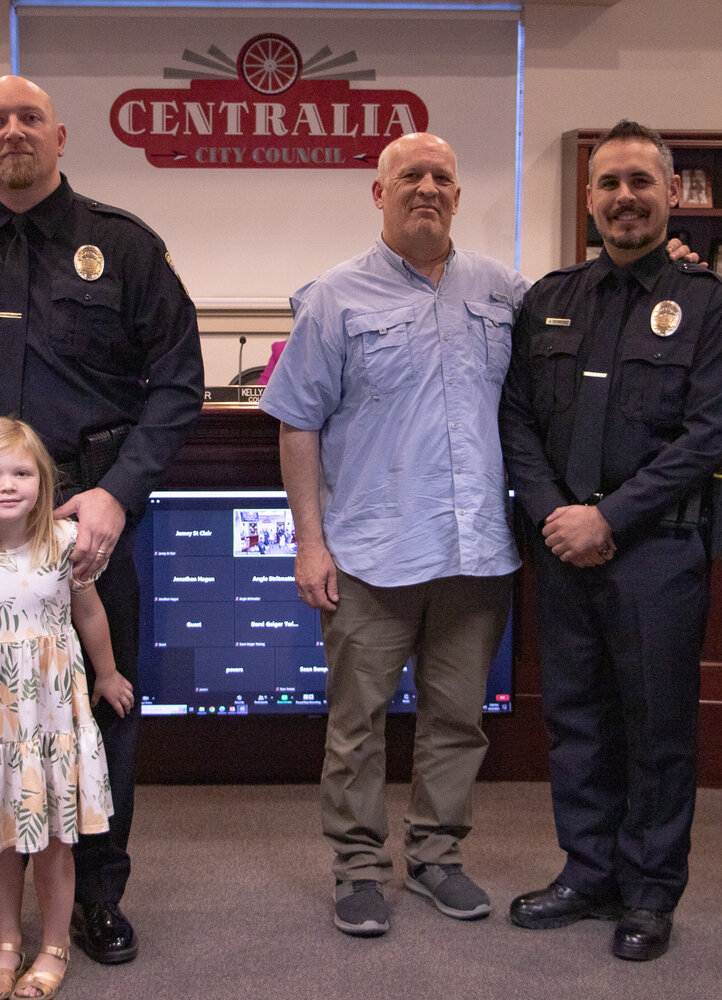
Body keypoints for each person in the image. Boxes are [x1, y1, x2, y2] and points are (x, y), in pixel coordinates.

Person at [0, 75, 203, 967]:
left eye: (29, 118)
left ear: (61, 135)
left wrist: (119, 494)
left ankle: (96, 895)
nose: (13, 132)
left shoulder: (120, 247)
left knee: (94, 708)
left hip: (88, 516)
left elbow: (178, 381)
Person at [498, 120, 722, 961]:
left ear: (669, 193)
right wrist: (555, 516)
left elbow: (709, 435)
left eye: (641, 182)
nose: (624, 198)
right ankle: (587, 871)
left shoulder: (715, 308)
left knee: (655, 728)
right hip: (563, 549)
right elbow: (517, 421)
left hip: (656, 555)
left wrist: (609, 518)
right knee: (575, 719)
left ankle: (649, 891)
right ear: (590, 197)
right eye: (609, 183)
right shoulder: (551, 298)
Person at [259, 132, 526, 937]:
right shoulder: (335, 298)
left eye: (442, 175)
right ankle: (359, 867)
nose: (427, 187)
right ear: (379, 193)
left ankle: (438, 855)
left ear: (456, 193)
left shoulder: (504, 291)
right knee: (357, 724)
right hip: (370, 553)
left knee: (457, 719)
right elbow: (297, 424)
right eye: (409, 174)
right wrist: (309, 541)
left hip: (475, 551)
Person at [0, 416, 134, 1000]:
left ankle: (55, 945)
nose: (7, 484)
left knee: (57, 838)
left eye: (21, 472)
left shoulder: (64, 544)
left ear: (44, 480)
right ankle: (6, 944)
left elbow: (89, 613)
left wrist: (108, 672)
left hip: (52, 721)